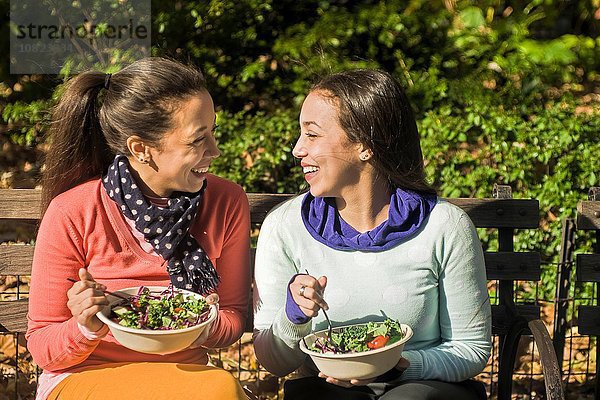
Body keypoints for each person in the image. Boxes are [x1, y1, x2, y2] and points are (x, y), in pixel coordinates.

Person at [252, 69, 492, 400]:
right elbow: (273, 362)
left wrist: (402, 364)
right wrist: (293, 315)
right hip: (325, 390)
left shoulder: (445, 226)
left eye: (312, 135)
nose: (297, 150)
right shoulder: (284, 227)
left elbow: (470, 348)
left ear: (364, 144)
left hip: (424, 388)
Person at [26, 57, 251, 400]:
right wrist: (85, 327)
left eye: (213, 131)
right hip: (86, 375)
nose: (215, 151)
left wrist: (204, 320)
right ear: (141, 149)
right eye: (197, 139)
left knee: (221, 389)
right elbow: (43, 347)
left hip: (186, 378)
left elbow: (233, 318)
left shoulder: (227, 201)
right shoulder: (73, 210)